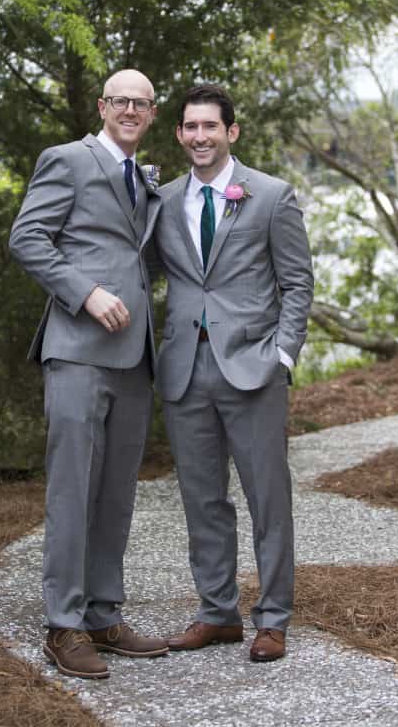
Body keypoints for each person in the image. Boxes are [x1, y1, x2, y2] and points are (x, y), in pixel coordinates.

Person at [9, 68, 168, 680]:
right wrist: (85, 293)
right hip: (77, 349)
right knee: (72, 489)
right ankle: (64, 625)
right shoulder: (67, 160)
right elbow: (28, 238)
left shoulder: (144, 178)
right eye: (120, 100)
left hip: (135, 357)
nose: (130, 109)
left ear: (152, 113)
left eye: (142, 103)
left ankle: (104, 614)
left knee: (115, 494)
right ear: (103, 106)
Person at [153, 83, 313, 663]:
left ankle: (272, 618)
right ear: (179, 133)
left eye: (210, 127)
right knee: (202, 500)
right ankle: (217, 613)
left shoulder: (271, 196)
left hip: (254, 369)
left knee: (268, 498)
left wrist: (283, 355)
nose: (200, 137)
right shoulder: (163, 201)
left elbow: (297, 283)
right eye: (190, 127)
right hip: (184, 372)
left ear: (231, 132)